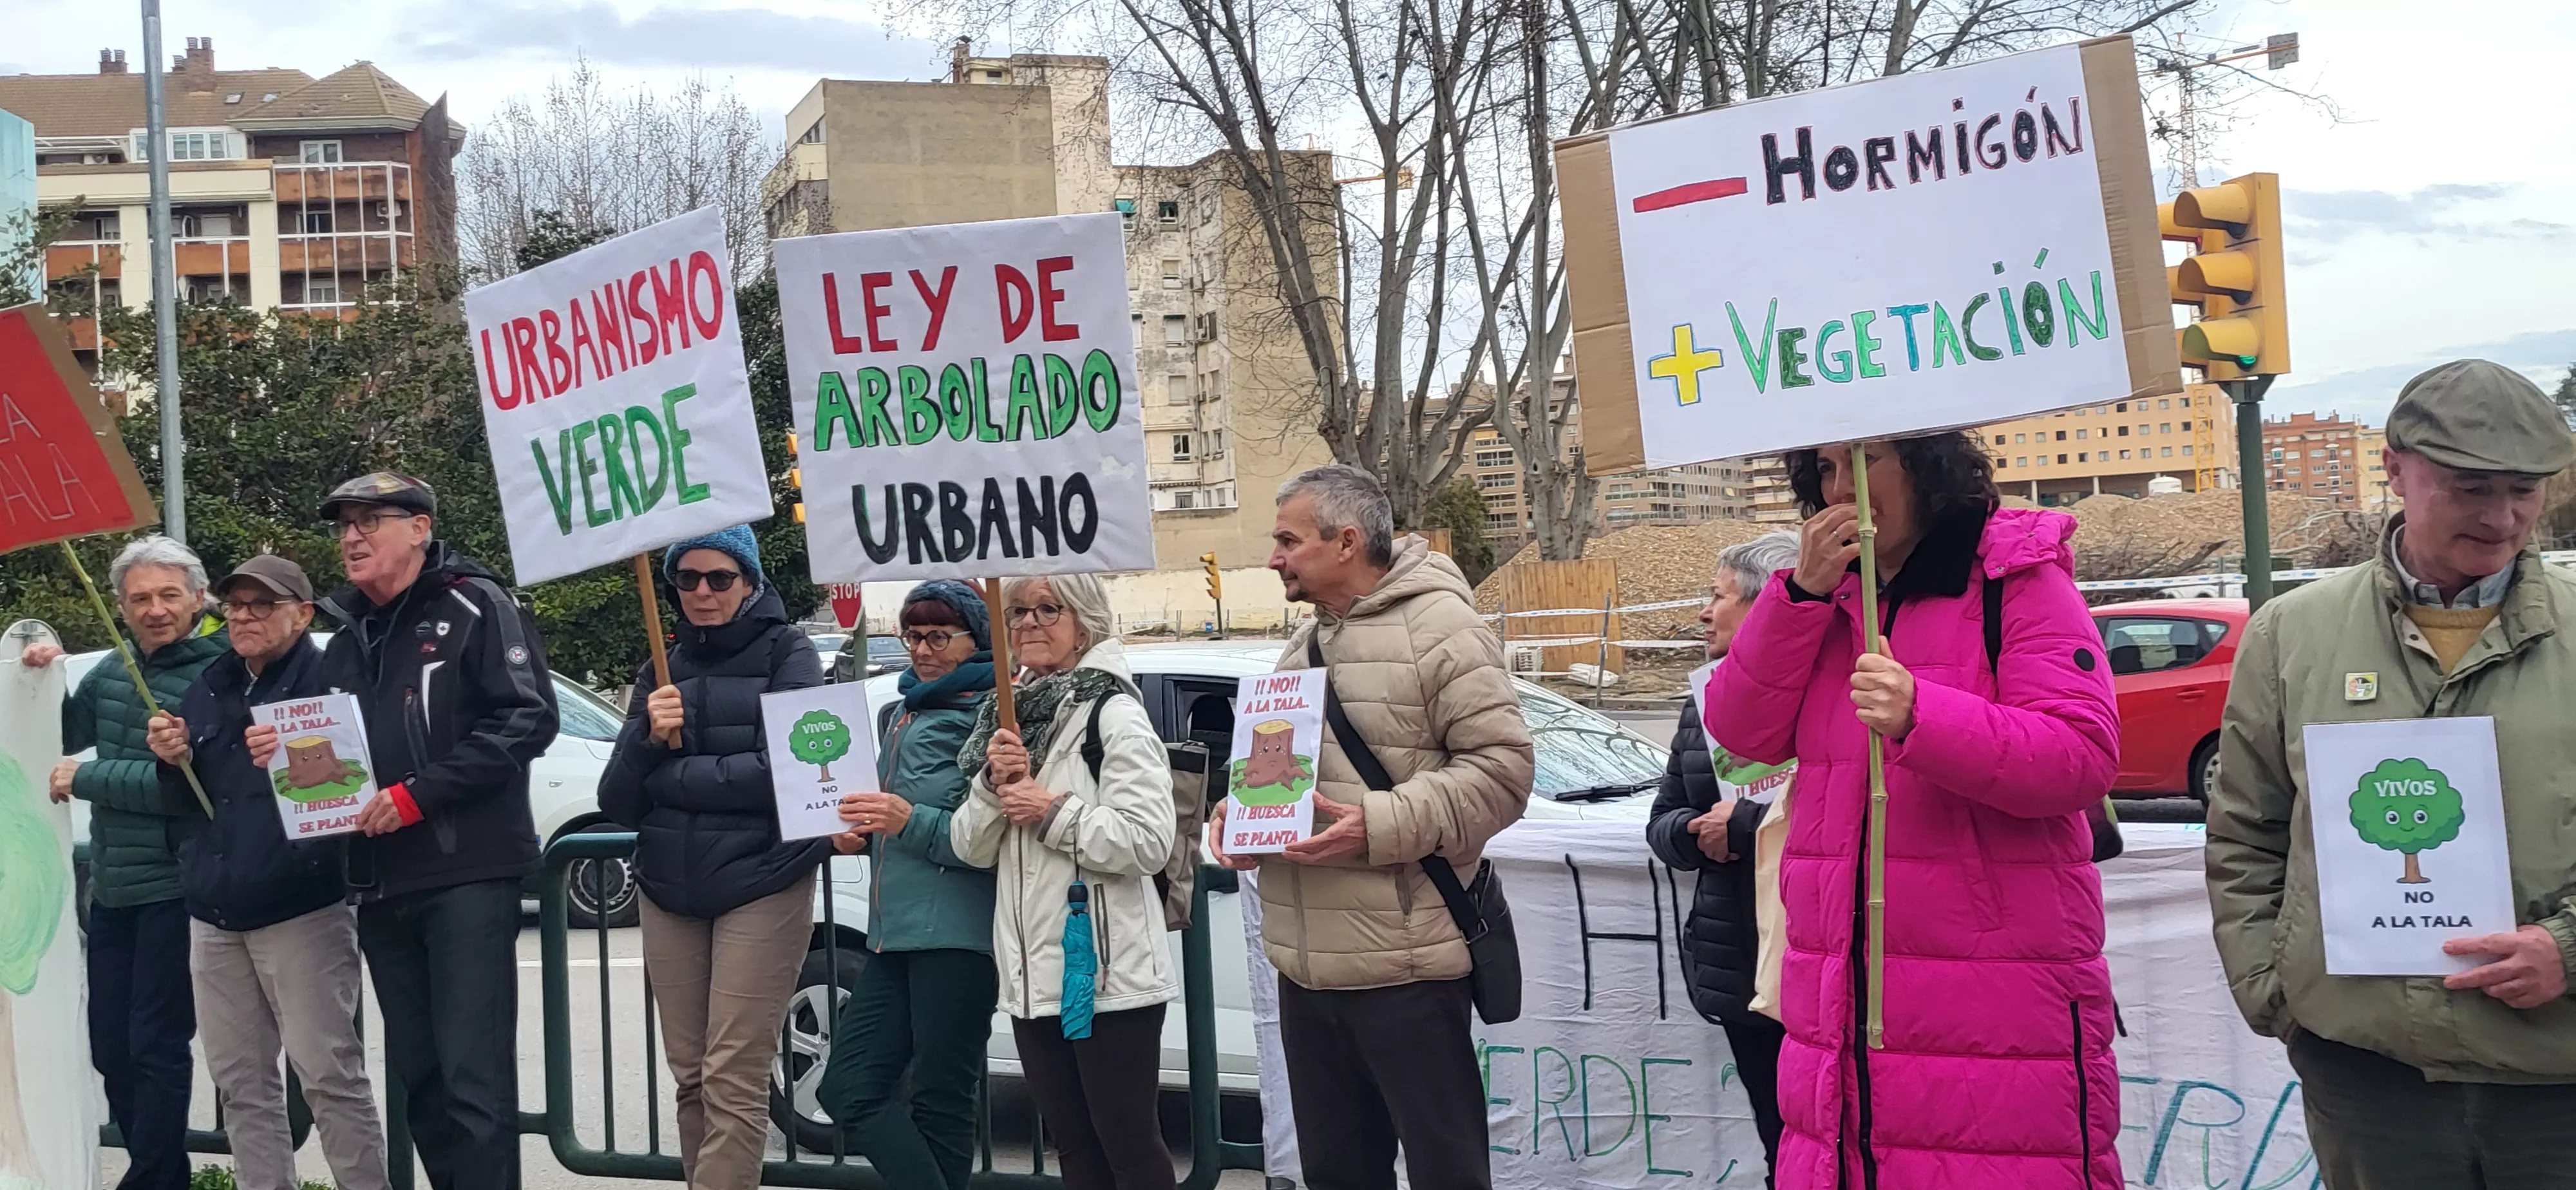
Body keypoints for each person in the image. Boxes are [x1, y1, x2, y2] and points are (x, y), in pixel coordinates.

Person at [1705, 437, 2121, 1189]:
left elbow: (2080, 756)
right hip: (1836, 1003)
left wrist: (1923, 715)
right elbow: (1740, 730)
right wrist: (1796, 597)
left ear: (1924, 468)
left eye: (1860, 464)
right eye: (1824, 470)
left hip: (1992, 1004)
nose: (1839, 490)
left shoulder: (2014, 581)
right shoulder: (1821, 598)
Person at [2207, 360, 2576, 1190]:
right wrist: (2277, 991)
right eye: (2469, 485)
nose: (2502, 516)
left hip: (2555, 1080)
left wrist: (2568, 950)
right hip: (2369, 1081)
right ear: (2395, 466)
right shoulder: (2290, 633)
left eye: (2525, 489)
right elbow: (2246, 826)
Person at [1213, 463, 1535, 1190]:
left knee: (1445, 1173)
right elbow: (1274, 774)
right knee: (1337, 1175)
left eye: (1287, 541)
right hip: (1307, 975)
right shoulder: (1303, 646)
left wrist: (1377, 825)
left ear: (1347, 541)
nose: (1273, 558)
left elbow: (1505, 773)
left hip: (1407, 973)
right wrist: (1237, 817)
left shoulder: (1442, 628)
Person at [252, 471, 559, 1190]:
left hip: (467, 876)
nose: (351, 537)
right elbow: (328, 755)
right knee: (421, 1078)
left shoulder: (475, 603)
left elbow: (527, 718)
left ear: (419, 528)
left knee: (471, 1079)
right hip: (382, 882)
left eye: (370, 521)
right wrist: (282, 755)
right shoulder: (347, 635)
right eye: (344, 526)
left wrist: (418, 796)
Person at [146, 554, 387, 1190]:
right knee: (241, 1085)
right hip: (215, 912)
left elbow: (355, 789)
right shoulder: (211, 682)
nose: (244, 617)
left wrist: (297, 755)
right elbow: (188, 803)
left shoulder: (335, 675)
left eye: (262, 605)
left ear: (302, 613)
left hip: (303, 908)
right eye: (235, 606)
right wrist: (173, 758)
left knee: (330, 1078)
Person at [598, 527, 826, 1190]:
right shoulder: (658, 670)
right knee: (692, 1073)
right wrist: (646, 736)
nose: (701, 591)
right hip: (669, 887)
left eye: (719, 578)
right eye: (687, 579)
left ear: (750, 581)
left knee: (734, 1073)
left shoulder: (790, 651)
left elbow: (795, 769)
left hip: (763, 879)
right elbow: (617, 799)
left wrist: (673, 777)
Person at [953, 571, 1178, 1190]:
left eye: (1047, 609)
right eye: (1017, 611)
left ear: (1084, 622)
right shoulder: (1012, 718)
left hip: (1107, 977)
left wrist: (1052, 811)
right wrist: (994, 787)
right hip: (1033, 980)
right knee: (1076, 1152)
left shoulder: (1114, 712)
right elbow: (970, 847)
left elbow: (1149, 840)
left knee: (1129, 1150)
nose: (1028, 623)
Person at [21, 535, 226, 1190]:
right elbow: (52, 739)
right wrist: (39, 674)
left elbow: (195, 789)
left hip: (177, 888)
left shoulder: (221, 673)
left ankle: (156, 1179)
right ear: (120, 604)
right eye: (140, 598)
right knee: (110, 1047)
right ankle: (155, 1172)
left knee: (155, 1048)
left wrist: (86, 779)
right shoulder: (113, 671)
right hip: (112, 890)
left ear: (199, 597)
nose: (155, 609)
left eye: (170, 595)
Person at [817, 580, 1000, 1190]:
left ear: (977, 641)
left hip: (959, 934)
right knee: (847, 1088)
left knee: (942, 1100)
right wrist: (859, 832)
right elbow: (890, 812)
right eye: (913, 635)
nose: (923, 650)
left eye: (939, 636)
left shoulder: (994, 714)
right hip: (893, 934)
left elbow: (989, 836)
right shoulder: (904, 710)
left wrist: (903, 820)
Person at [1643, 529, 1800, 1185]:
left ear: (1765, 608)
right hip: (1739, 962)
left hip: (1818, 961)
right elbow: (1662, 823)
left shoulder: (1833, 695)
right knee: (1780, 1141)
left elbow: (1862, 814)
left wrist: (1751, 825)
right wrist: (1693, 832)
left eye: (1716, 598)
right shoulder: (1702, 702)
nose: (1704, 613)